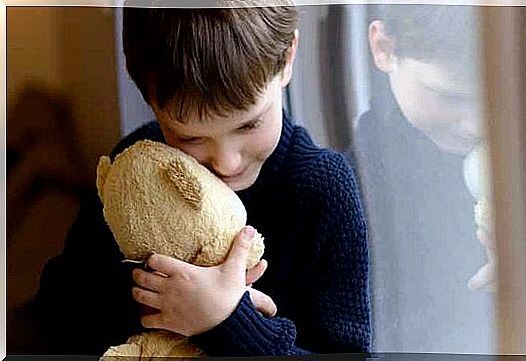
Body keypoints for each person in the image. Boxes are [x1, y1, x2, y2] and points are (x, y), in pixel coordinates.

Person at [32, 1, 371, 356]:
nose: (226, 162)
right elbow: (55, 313)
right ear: (148, 99)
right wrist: (153, 296)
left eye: (249, 124)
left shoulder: (323, 190)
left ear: (287, 59)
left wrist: (226, 320)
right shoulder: (139, 170)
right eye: (190, 138)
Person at [349, 5, 492, 352]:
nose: (478, 124)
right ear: (383, 49)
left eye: (494, 99)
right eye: (450, 96)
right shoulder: (352, 187)